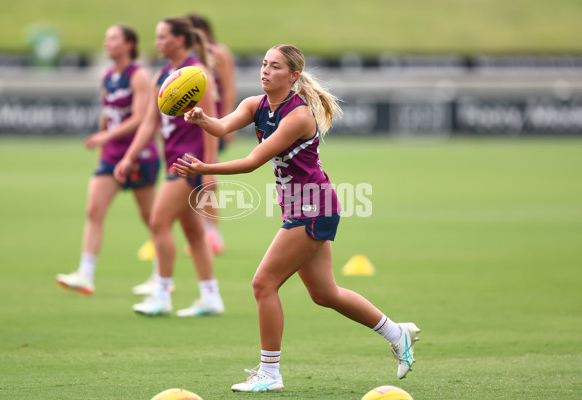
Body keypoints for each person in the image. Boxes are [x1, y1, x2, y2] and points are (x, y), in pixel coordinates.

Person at [173, 44, 420, 392]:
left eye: (274, 67)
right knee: (325, 293)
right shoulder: (254, 105)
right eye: (263, 64)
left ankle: (270, 373)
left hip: (314, 207)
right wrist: (203, 120)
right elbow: (223, 126)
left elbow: (253, 160)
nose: (265, 71)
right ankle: (397, 333)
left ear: (292, 76)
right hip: (302, 207)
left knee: (263, 283)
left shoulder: (298, 116)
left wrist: (205, 169)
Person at [114, 17, 224, 317]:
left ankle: (161, 293)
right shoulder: (162, 76)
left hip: (189, 164)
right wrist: (129, 157)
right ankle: (210, 296)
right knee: (193, 233)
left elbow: (212, 125)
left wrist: (210, 168)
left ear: (180, 40)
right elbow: (150, 122)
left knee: (158, 223)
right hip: (172, 161)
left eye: (163, 36)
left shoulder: (198, 75)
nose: (158, 42)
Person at [56, 25, 160, 295]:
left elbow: (139, 117)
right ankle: (85, 274)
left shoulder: (138, 75)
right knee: (94, 210)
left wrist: (105, 137)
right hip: (112, 155)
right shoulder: (107, 76)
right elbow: (107, 111)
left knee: (151, 217)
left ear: (129, 44)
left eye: (113, 38)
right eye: (106, 38)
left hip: (138, 154)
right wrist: (103, 139)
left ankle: (160, 275)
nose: (107, 43)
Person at [186, 13, 238, 255]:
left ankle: (213, 233)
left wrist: (227, 122)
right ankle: (201, 233)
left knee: (207, 178)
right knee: (192, 179)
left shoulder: (218, 52)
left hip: (213, 123)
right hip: (189, 125)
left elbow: (228, 87)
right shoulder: (189, 58)